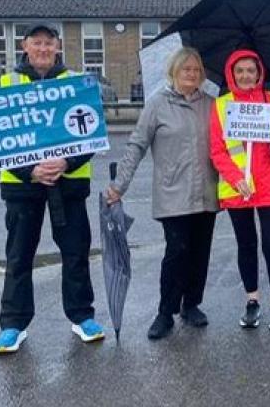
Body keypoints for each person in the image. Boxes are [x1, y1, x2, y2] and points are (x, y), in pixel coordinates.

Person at [0, 24, 103, 354]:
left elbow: (91, 132)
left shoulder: (76, 80)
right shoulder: (8, 83)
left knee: (75, 253)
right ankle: (13, 325)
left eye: (48, 42)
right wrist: (31, 170)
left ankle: (82, 316)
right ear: (25, 46)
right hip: (23, 187)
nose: (43, 48)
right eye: (36, 42)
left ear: (57, 46)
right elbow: (0, 138)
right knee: (19, 256)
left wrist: (66, 163)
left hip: (68, 184)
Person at [106, 47, 218, 340]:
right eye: (186, 69)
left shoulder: (212, 104)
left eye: (196, 70)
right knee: (177, 251)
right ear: (174, 72)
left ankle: (191, 304)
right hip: (173, 192)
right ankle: (165, 311)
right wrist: (120, 185)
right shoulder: (157, 104)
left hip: (206, 190)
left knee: (200, 251)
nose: (191, 75)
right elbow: (137, 145)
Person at [210, 49, 270, 331]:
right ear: (231, 74)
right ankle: (251, 300)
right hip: (239, 188)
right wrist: (236, 178)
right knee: (246, 245)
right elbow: (217, 150)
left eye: (251, 70)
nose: (245, 75)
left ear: (259, 73)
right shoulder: (222, 106)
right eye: (240, 71)